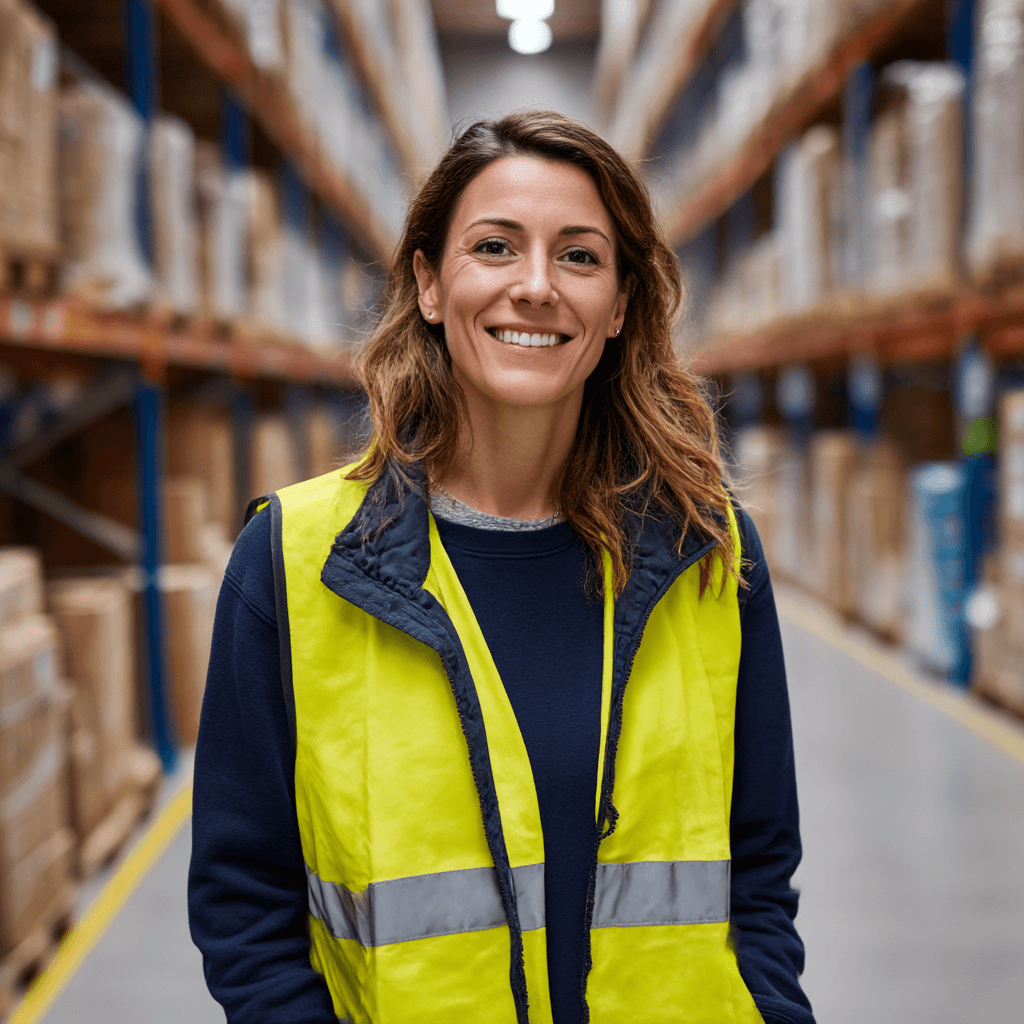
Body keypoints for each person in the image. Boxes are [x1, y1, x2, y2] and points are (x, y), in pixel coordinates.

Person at [188, 110, 815, 1024]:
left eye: (579, 256)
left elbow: (758, 868)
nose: (536, 287)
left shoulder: (704, 550)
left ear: (621, 306)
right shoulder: (295, 560)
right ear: (430, 285)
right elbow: (245, 905)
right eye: (494, 246)